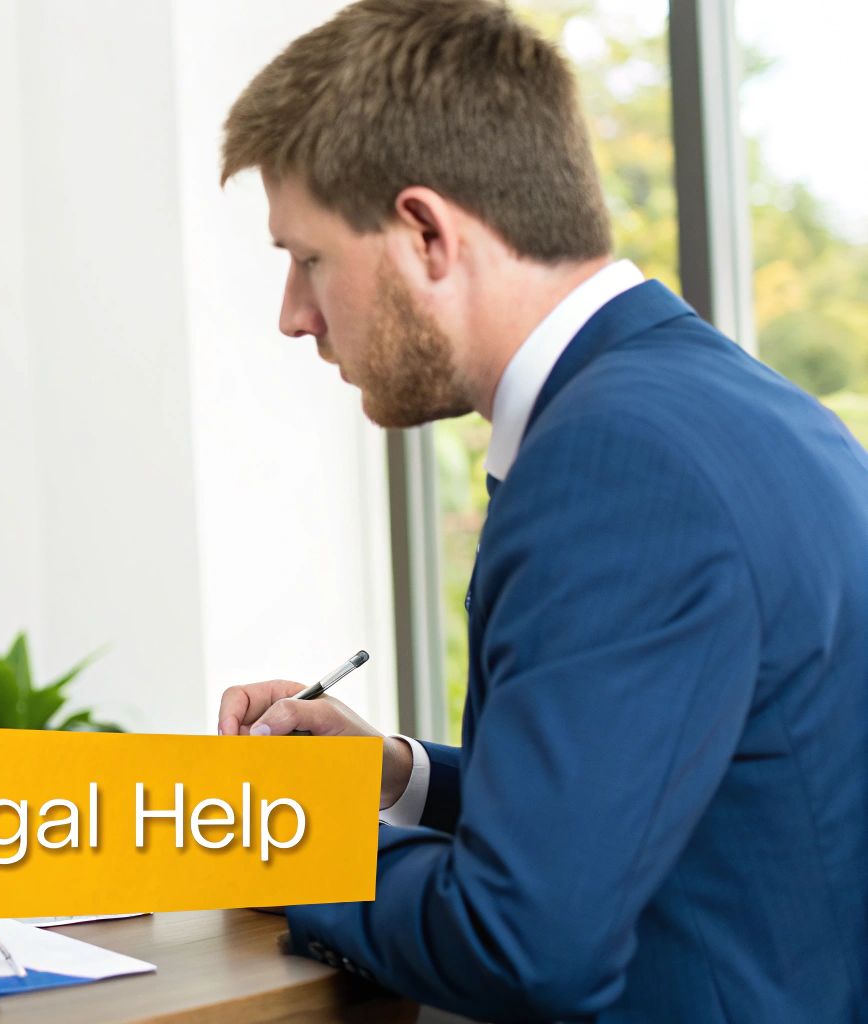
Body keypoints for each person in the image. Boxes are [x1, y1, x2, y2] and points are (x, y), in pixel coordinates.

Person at [213, 2, 868, 1019]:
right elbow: (665, 790)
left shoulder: (609, 465)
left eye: (306, 260)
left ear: (425, 233)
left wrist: (292, 845)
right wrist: (395, 775)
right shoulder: (738, 405)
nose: (293, 318)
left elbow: (522, 939)